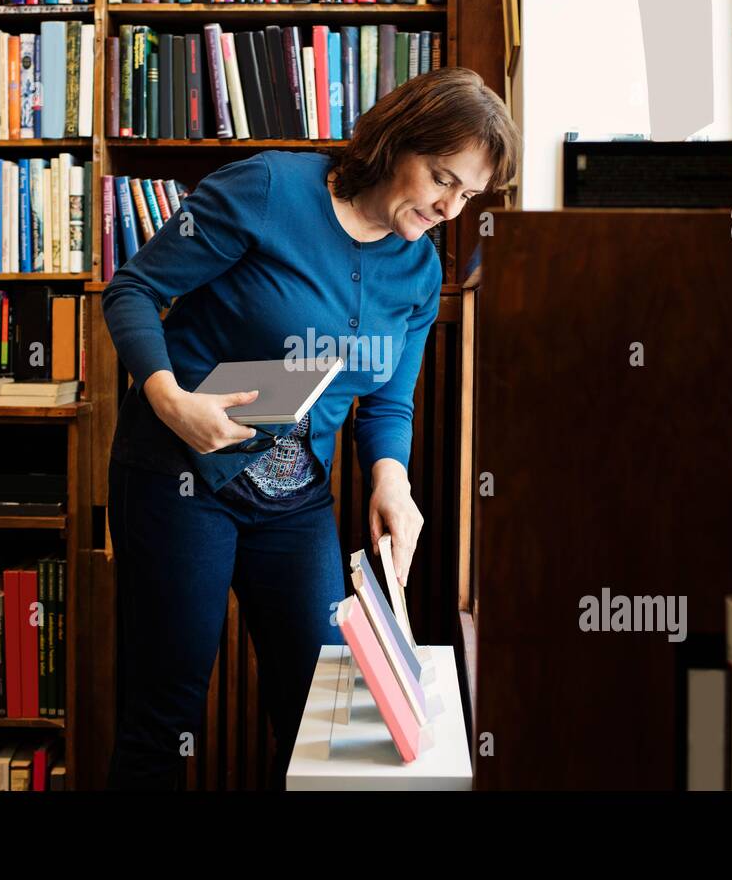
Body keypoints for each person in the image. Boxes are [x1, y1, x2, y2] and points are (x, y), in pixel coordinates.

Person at [102, 66, 520, 790]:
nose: (451, 207)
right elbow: (134, 288)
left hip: (295, 494)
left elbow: (389, 400)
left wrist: (393, 479)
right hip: (179, 473)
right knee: (166, 714)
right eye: (442, 178)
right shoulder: (268, 190)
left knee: (322, 712)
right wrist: (169, 398)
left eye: (470, 194)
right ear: (397, 143)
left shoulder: (419, 271)